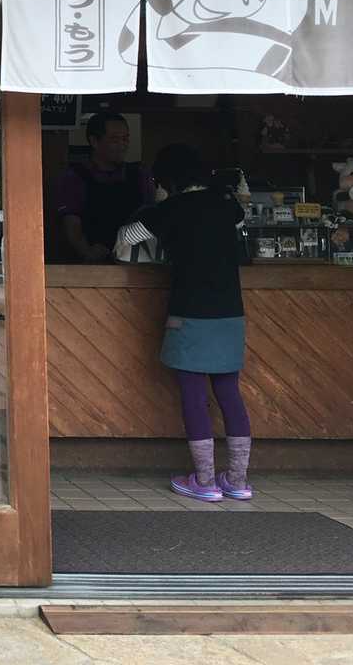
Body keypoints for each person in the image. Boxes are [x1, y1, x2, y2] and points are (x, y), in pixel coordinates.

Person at [118, 143, 253, 503]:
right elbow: (240, 222)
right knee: (229, 392)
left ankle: (205, 481)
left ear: (167, 180)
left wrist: (158, 208)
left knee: (194, 394)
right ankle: (237, 480)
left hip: (189, 312)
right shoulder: (226, 204)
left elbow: (125, 241)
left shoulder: (170, 209)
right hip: (230, 312)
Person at [55, 111, 155, 263]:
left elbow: (151, 217)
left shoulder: (140, 174)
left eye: (125, 138)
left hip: (136, 263)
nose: (122, 145)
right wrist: (86, 251)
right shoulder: (74, 177)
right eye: (114, 139)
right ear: (94, 141)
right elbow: (71, 222)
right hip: (93, 264)